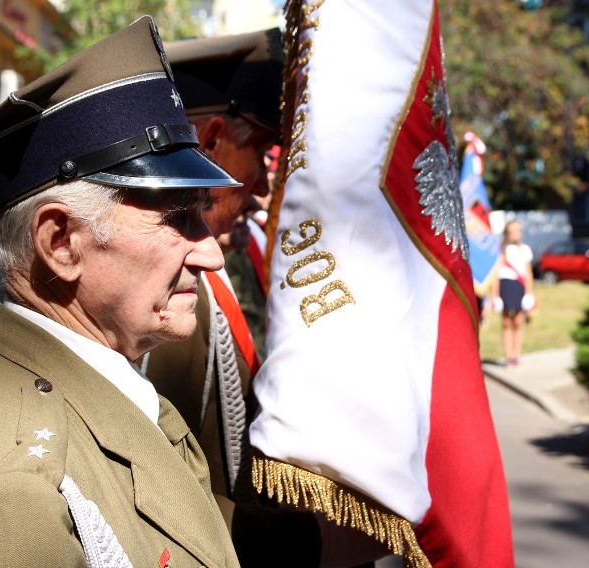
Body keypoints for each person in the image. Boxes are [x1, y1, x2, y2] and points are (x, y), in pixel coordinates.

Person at [0, 17, 242, 568]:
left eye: (203, 214)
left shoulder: (81, 392)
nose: (210, 252)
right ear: (62, 244)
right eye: (177, 219)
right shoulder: (26, 492)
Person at [141, 29, 385, 568]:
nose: (261, 183)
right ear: (212, 140)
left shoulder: (208, 270)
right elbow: (172, 499)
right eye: (260, 152)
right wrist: (320, 543)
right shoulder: (170, 298)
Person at [492, 220, 535, 367]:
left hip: (519, 286)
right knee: (506, 322)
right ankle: (508, 356)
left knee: (518, 321)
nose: (515, 234)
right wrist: (495, 296)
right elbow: (496, 274)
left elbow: (528, 273)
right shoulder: (501, 250)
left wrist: (529, 293)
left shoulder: (525, 250)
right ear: (507, 233)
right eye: (512, 231)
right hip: (506, 285)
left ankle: (517, 355)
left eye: (518, 231)